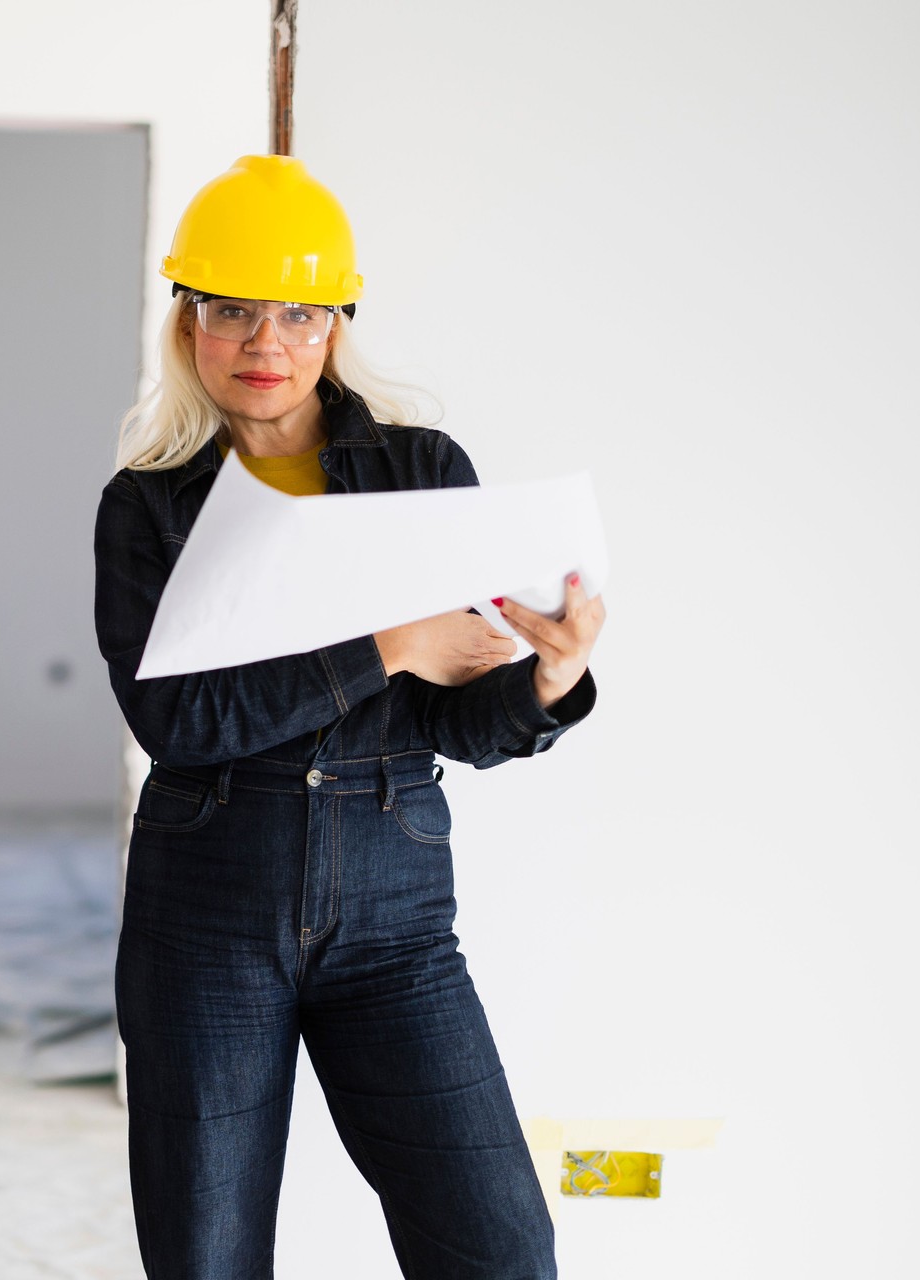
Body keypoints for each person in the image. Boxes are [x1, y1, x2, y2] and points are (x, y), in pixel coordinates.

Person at [93, 154, 607, 1280]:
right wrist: (389, 644)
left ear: (336, 324)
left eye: (296, 312)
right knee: (207, 1259)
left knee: (500, 1248)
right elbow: (176, 719)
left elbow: (463, 724)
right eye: (230, 310)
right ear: (189, 326)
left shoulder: (420, 471)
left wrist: (549, 679)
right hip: (204, 919)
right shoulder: (148, 506)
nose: (263, 341)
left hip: (394, 919)